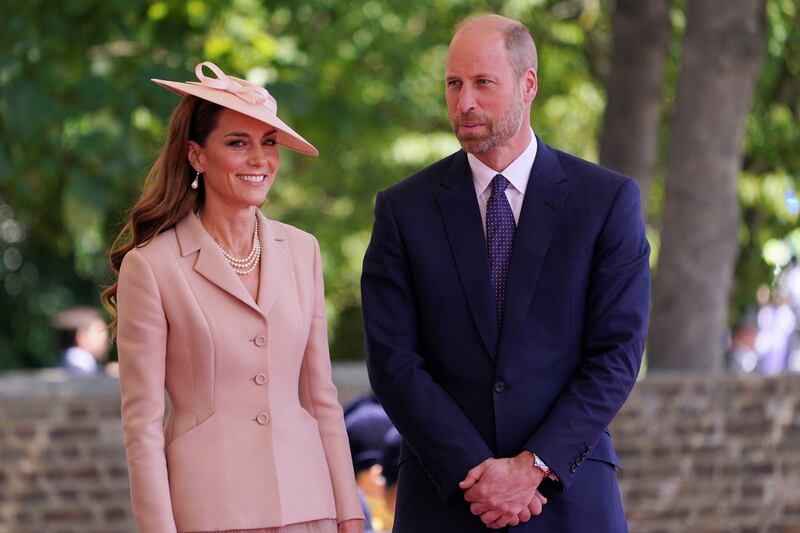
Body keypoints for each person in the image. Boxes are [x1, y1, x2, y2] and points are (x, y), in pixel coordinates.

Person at [361, 14, 650, 532]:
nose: (464, 101)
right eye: (454, 84)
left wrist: (532, 467)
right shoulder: (403, 210)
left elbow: (617, 355)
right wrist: (478, 474)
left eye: (482, 83)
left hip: (569, 497)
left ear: (528, 83)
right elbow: (392, 362)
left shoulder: (604, 201)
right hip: (445, 499)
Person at [102, 61, 364, 533]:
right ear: (196, 156)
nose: (260, 159)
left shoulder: (303, 250)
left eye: (268, 142)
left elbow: (321, 397)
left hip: (310, 507)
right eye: (238, 143)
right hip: (210, 513)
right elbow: (141, 425)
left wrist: (349, 515)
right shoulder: (153, 265)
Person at [54, 306, 112, 375]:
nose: (106, 339)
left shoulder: (66, 363)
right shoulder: (80, 366)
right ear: (81, 337)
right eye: (101, 333)